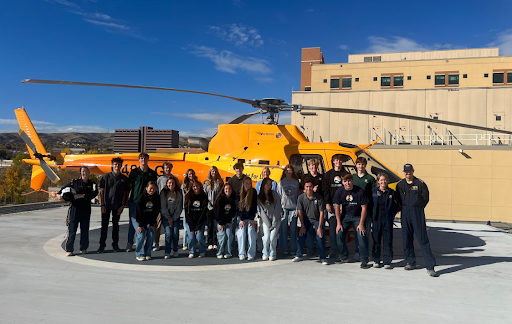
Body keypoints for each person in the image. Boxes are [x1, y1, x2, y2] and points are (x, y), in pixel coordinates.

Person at [395, 164, 439, 277]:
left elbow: (425, 198)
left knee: (423, 239)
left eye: (409, 171)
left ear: (413, 171)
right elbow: (398, 199)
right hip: (405, 213)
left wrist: (418, 207)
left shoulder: (420, 183)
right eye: (406, 171)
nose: (408, 173)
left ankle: (430, 266)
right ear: (403, 172)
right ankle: (410, 262)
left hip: (417, 213)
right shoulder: (400, 184)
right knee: (406, 239)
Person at [333, 173, 371, 269]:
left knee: (361, 234)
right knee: (339, 233)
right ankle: (343, 256)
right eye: (345, 181)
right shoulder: (339, 192)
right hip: (345, 216)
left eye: (349, 181)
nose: (347, 183)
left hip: (358, 216)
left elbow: (364, 208)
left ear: (352, 181)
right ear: (342, 182)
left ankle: (364, 260)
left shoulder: (359, 191)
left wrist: (361, 223)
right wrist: (338, 223)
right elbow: (337, 208)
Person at [58, 166, 98, 256]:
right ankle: (69, 249)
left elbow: (94, 193)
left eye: (86, 171)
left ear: (89, 173)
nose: (84, 173)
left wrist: (82, 196)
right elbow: (63, 189)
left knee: (85, 229)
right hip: (75, 209)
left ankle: (83, 248)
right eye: (82, 171)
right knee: (72, 229)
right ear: (80, 173)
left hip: (86, 209)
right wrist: (59, 195)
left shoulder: (92, 184)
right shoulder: (74, 182)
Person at [126, 153, 158, 252]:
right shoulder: (134, 172)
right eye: (141, 158)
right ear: (139, 160)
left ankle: (145, 244)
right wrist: (126, 199)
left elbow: (154, 188)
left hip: (147, 203)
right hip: (134, 201)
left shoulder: (152, 173)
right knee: (133, 222)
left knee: (145, 223)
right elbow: (130, 187)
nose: (143, 160)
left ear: (148, 159)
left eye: (145, 158)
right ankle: (130, 243)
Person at [98, 157, 129, 253]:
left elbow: (125, 193)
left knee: (116, 226)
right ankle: (102, 245)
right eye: (115, 164)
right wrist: (102, 204)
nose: (117, 166)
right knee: (104, 226)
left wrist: (123, 205)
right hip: (106, 204)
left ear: (121, 166)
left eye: (118, 164)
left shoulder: (124, 178)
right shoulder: (106, 176)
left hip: (118, 205)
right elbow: (101, 191)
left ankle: (115, 244)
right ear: (112, 165)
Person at [293, 178, 328, 265]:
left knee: (320, 236)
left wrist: (320, 227)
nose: (309, 188)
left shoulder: (319, 197)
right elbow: (300, 212)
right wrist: (302, 226)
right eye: (307, 187)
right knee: (301, 235)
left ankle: (323, 257)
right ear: (304, 188)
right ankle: (299, 255)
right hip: (306, 219)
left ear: (313, 187)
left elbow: (321, 213)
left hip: (317, 220)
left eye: (310, 187)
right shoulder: (301, 198)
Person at [322, 154, 348, 260]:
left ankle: (342, 251)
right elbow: (325, 190)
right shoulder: (328, 175)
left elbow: (348, 189)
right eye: (336, 160)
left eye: (340, 160)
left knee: (343, 229)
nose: (338, 162)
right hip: (332, 205)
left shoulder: (346, 174)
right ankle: (333, 251)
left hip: (343, 205)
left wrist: (345, 204)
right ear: (333, 161)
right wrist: (327, 203)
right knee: (333, 228)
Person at [371, 173, 399, 269]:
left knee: (387, 241)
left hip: (387, 219)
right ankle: (376, 260)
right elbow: (370, 204)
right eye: (381, 180)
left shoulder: (392, 192)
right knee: (376, 240)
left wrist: (392, 214)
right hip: (376, 219)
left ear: (388, 181)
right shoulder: (374, 191)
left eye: (385, 180)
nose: (383, 182)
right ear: (378, 181)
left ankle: (387, 261)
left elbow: (397, 205)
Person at [351, 156, 376, 262]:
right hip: (355, 209)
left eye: (363, 164)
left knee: (365, 232)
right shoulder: (353, 178)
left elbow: (374, 195)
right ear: (356, 165)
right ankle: (357, 251)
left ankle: (365, 252)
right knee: (357, 232)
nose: (361, 166)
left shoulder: (370, 178)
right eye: (359, 164)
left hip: (367, 209)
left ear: (365, 165)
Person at [154, 161, 180, 252]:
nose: (167, 169)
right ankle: (156, 242)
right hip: (161, 205)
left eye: (169, 168)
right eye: (166, 168)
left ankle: (172, 243)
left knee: (171, 226)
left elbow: (178, 191)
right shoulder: (160, 179)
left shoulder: (175, 179)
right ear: (163, 169)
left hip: (171, 205)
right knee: (158, 225)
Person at [276, 164, 300, 254]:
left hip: (293, 207)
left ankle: (293, 247)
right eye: (287, 170)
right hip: (284, 207)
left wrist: (298, 209)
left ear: (292, 172)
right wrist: (279, 210)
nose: (288, 172)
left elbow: (298, 196)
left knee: (293, 228)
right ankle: (284, 247)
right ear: (285, 172)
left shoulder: (296, 182)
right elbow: (278, 196)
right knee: (283, 228)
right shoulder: (281, 182)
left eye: (290, 170)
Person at [134, 181, 160, 261]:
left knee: (151, 233)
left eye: (154, 189)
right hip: (138, 219)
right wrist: (140, 225)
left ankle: (148, 253)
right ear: (146, 188)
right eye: (150, 188)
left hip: (149, 219)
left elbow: (156, 212)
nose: (152, 190)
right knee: (141, 234)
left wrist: (152, 224)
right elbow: (139, 212)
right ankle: (139, 253)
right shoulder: (142, 197)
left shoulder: (157, 198)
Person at [258, 178, 282, 261]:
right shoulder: (260, 197)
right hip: (266, 221)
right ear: (263, 185)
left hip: (276, 220)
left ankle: (272, 253)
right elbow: (262, 213)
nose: (268, 186)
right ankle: (265, 253)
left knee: (272, 238)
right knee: (266, 237)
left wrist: (274, 223)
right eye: (267, 184)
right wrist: (268, 224)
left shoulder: (275, 195)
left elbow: (277, 209)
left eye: (270, 184)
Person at [160, 177, 183, 259]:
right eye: (169, 183)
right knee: (168, 233)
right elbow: (163, 206)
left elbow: (179, 207)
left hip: (175, 217)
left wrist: (173, 218)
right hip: (166, 216)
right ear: (167, 183)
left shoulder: (178, 193)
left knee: (175, 233)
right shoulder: (163, 193)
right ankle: (167, 251)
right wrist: (168, 218)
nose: (171, 185)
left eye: (173, 183)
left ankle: (175, 249)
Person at [255, 167, 277, 252]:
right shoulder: (259, 183)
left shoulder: (274, 183)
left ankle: (270, 247)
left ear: (269, 173)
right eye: (264, 172)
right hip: (261, 210)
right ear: (262, 173)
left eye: (267, 172)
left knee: (270, 228)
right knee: (260, 228)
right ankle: (260, 246)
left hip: (271, 211)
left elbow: (275, 196)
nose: (265, 173)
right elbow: (257, 196)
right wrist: (258, 209)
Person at [185, 180, 208, 258]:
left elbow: (204, 212)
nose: (195, 188)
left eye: (197, 186)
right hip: (190, 221)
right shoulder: (188, 196)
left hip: (200, 221)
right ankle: (192, 251)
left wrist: (198, 226)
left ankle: (202, 250)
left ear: (200, 187)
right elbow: (187, 213)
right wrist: (192, 227)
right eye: (194, 186)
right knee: (191, 237)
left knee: (199, 236)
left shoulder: (204, 196)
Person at [236, 177, 258, 260]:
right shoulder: (239, 192)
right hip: (241, 217)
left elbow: (254, 206)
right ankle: (241, 253)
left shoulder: (253, 192)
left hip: (250, 217)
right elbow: (237, 207)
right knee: (241, 233)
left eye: (249, 183)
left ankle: (251, 253)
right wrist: (241, 219)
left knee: (251, 232)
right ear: (243, 183)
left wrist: (252, 219)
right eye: (246, 183)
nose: (248, 185)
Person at [214, 183, 237, 259]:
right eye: (226, 189)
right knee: (222, 235)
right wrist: (221, 223)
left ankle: (228, 252)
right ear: (223, 190)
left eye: (229, 189)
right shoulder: (220, 199)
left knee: (229, 234)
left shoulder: (233, 200)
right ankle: (220, 252)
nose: (228, 190)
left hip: (228, 221)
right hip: (220, 221)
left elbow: (233, 212)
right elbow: (217, 213)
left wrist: (230, 222)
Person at [204, 166, 224, 250]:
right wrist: (209, 205)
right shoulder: (206, 183)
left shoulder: (220, 182)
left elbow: (222, 194)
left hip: (217, 207)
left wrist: (216, 205)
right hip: (209, 207)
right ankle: (209, 242)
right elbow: (204, 195)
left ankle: (215, 242)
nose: (214, 173)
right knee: (209, 225)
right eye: (212, 171)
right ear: (210, 172)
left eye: (215, 171)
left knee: (216, 225)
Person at [181, 169, 197, 250]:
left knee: (194, 225)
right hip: (187, 206)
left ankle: (193, 242)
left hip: (195, 207)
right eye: (189, 174)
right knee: (186, 226)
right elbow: (182, 195)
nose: (190, 175)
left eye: (192, 174)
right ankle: (185, 243)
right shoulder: (184, 184)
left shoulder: (196, 183)